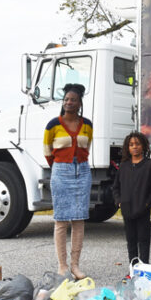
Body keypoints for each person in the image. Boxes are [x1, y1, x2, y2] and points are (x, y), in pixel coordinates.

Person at [44, 83, 93, 279]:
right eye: (66, 100)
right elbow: (47, 151)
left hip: (82, 170)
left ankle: (75, 265)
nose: (68, 103)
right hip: (61, 170)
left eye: (73, 100)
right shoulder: (53, 125)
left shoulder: (87, 124)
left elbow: (87, 145)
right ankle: (62, 266)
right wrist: (61, 165)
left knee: (79, 219)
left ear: (79, 103)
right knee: (61, 220)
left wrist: (76, 163)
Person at [113, 131, 151, 266]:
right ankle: (133, 269)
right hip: (127, 210)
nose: (134, 147)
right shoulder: (124, 166)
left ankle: (144, 268)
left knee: (143, 240)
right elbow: (116, 187)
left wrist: (147, 204)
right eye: (131, 144)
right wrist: (119, 201)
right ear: (127, 147)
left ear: (143, 146)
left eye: (137, 144)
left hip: (143, 210)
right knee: (131, 241)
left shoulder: (149, 165)